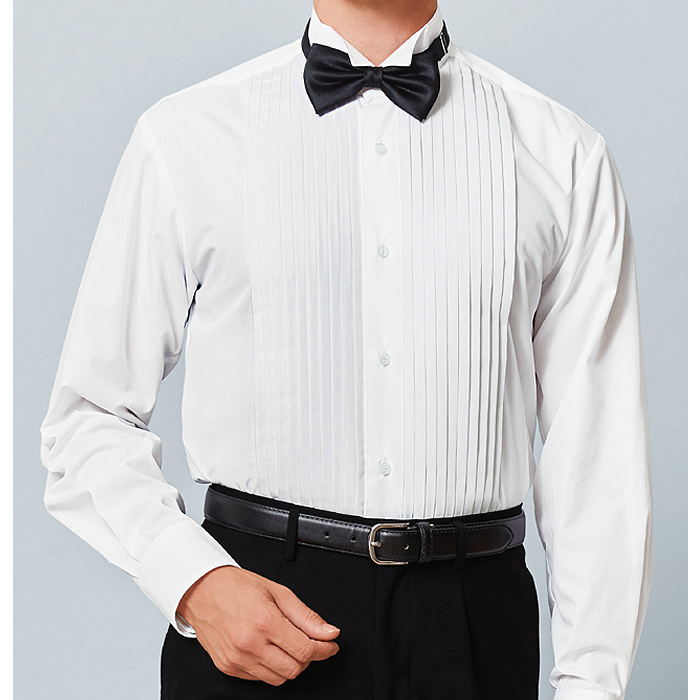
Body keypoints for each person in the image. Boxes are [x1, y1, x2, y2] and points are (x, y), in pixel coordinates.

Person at [39, 0, 653, 698]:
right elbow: (87, 418)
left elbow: (598, 462)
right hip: (255, 620)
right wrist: (192, 580)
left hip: (470, 627)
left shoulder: (563, 154)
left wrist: (590, 684)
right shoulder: (184, 137)